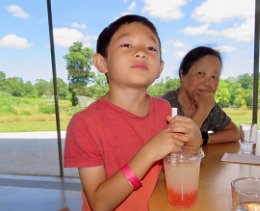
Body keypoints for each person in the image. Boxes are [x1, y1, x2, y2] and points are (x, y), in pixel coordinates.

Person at [64, 14, 202, 211]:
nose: (141, 53)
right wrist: (148, 154)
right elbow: (99, 203)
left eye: (151, 48)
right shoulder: (84, 124)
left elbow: (175, 169)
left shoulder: (164, 109)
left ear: (160, 69)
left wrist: (194, 145)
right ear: (101, 63)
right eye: (127, 45)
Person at [162, 46, 240, 145]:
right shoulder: (164, 106)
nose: (208, 83)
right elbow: (179, 147)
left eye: (214, 76)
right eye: (200, 74)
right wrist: (203, 110)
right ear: (182, 75)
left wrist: (202, 139)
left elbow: (235, 133)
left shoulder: (209, 105)